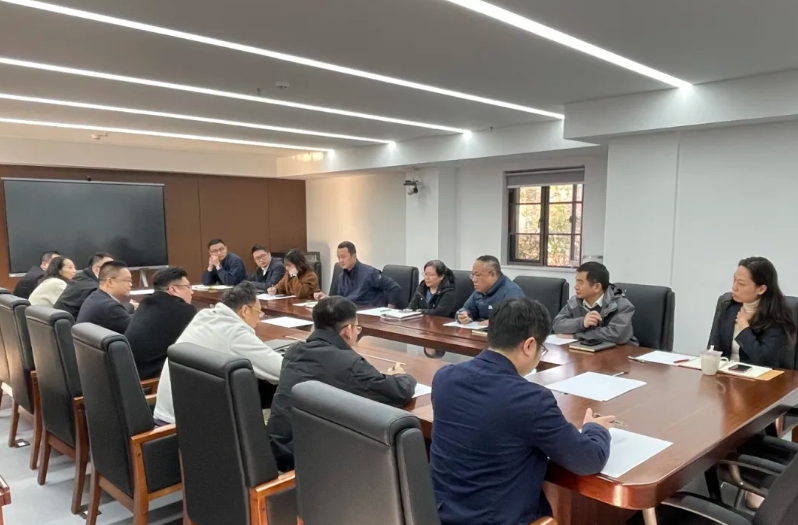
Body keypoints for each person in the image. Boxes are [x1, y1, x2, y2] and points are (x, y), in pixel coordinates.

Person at [430, 297, 613, 525]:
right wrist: (595, 429)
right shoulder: (531, 400)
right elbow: (589, 460)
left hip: (439, 516)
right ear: (529, 345)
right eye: (541, 349)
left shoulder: (444, 378)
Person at [268, 296, 416, 471]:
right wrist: (401, 376)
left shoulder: (293, 352)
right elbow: (398, 392)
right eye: (357, 328)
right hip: (307, 461)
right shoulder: (348, 363)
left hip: (275, 449)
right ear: (348, 330)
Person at [153, 282, 282, 425]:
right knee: (280, 407)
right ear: (245, 310)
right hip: (190, 427)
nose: (260, 318)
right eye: (259, 312)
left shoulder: (204, 315)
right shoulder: (234, 332)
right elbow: (280, 370)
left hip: (168, 415)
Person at [708, 257, 796, 367]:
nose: (734, 287)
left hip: (759, 376)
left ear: (761, 289)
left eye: (741, 283)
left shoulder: (776, 316)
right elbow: (713, 350)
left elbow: (764, 361)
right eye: (734, 280)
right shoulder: (727, 306)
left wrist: (744, 328)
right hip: (726, 374)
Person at [124, 267, 197, 380]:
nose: (191, 292)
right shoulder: (183, 310)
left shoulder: (146, 302)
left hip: (129, 372)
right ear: (173, 290)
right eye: (188, 287)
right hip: (151, 380)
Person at [552, 261, 638, 345]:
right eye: (576, 281)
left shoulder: (621, 305)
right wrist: (582, 323)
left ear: (597, 287)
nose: (576, 287)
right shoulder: (574, 302)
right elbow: (557, 325)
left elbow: (616, 335)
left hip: (620, 351)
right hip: (586, 349)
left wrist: (577, 336)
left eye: (580, 282)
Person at [313, 241, 401, 307]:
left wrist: (389, 311)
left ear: (354, 256)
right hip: (350, 314)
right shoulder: (341, 277)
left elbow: (394, 287)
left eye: (343, 257)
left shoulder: (370, 273)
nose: (340, 261)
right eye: (338, 257)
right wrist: (327, 298)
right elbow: (341, 300)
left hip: (370, 315)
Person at [457, 255, 524, 324]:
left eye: (478, 275)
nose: (474, 279)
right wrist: (463, 315)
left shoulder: (511, 291)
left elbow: (516, 320)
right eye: (473, 275)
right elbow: (467, 308)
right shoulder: (480, 290)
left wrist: (494, 322)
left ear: (492, 275)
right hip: (478, 328)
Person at [76, 260, 135, 333]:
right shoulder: (110, 307)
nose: (130, 284)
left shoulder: (95, 297)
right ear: (110, 282)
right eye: (127, 280)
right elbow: (138, 330)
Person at [54, 252, 114, 319]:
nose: (115, 272)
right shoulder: (93, 288)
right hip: (73, 323)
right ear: (97, 269)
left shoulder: (80, 277)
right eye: (112, 269)